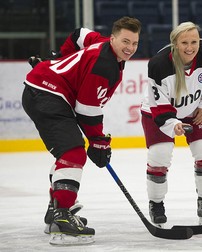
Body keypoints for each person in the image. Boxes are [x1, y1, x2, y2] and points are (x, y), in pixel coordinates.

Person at [22, 16, 142, 245]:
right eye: (125, 41)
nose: (130, 48)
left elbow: (78, 34)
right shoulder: (105, 65)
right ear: (114, 37)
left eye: (135, 43)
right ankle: (62, 216)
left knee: (69, 152)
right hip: (47, 95)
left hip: (45, 91)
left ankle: (56, 209)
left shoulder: (103, 42)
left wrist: (60, 58)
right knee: (73, 153)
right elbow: (87, 110)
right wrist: (99, 142)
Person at [140, 22, 202, 228]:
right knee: (160, 155)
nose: (190, 47)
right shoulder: (159, 65)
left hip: (194, 109)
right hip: (159, 112)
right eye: (184, 42)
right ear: (174, 44)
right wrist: (173, 123)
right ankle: (156, 204)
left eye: (194, 42)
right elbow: (159, 106)